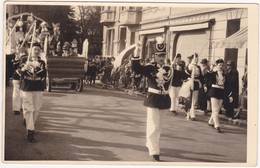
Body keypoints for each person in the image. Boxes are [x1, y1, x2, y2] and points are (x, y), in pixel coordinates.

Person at [131, 37, 172, 161]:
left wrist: (191, 69)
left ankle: (151, 144)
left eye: (163, 55)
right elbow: (137, 68)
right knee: (153, 125)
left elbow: (178, 77)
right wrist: (137, 53)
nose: (161, 57)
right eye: (159, 55)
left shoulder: (169, 68)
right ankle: (154, 150)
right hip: (153, 99)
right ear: (154, 56)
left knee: (159, 127)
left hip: (164, 99)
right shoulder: (149, 67)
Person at [19, 42, 46, 142]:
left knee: (37, 109)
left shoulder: (42, 62)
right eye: (35, 49)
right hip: (26, 87)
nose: (36, 51)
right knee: (29, 109)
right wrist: (24, 68)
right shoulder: (24, 59)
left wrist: (37, 67)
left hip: (38, 87)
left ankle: (30, 124)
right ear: (30, 50)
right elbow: (17, 73)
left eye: (38, 50)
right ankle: (30, 132)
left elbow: (43, 74)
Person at [207, 59, 226, 133]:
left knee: (217, 109)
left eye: (222, 65)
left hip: (221, 92)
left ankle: (210, 121)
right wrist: (211, 70)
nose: (221, 66)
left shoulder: (224, 74)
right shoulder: (213, 73)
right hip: (214, 91)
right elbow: (207, 77)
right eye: (219, 65)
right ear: (217, 65)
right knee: (215, 109)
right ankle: (217, 125)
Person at [185, 54, 203, 121]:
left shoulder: (198, 67)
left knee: (194, 100)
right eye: (195, 59)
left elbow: (200, 76)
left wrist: (201, 82)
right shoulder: (189, 66)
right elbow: (187, 73)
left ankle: (191, 112)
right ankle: (192, 114)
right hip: (190, 83)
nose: (196, 60)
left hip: (196, 84)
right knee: (190, 98)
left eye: (197, 59)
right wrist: (193, 67)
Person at [12, 47, 27, 115]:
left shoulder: (22, 57)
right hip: (19, 77)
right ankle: (17, 108)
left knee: (19, 93)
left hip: (21, 77)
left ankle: (17, 108)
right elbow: (15, 67)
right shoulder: (19, 57)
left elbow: (14, 66)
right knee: (20, 93)